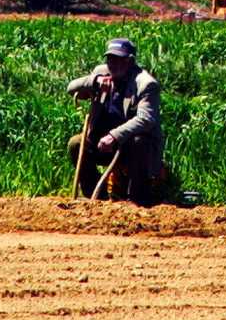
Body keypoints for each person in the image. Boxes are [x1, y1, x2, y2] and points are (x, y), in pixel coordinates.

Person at [66, 36, 163, 202]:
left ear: (130, 61)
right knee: (76, 143)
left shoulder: (145, 84)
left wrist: (114, 136)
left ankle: (137, 198)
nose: (113, 65)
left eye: (119, 60)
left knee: (139, 142)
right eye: (111, 59)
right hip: (102, 143)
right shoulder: (101, 72)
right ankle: (96, 196)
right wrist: (95, 82)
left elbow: (146, 119)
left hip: (130, 146)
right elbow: (71, 88)